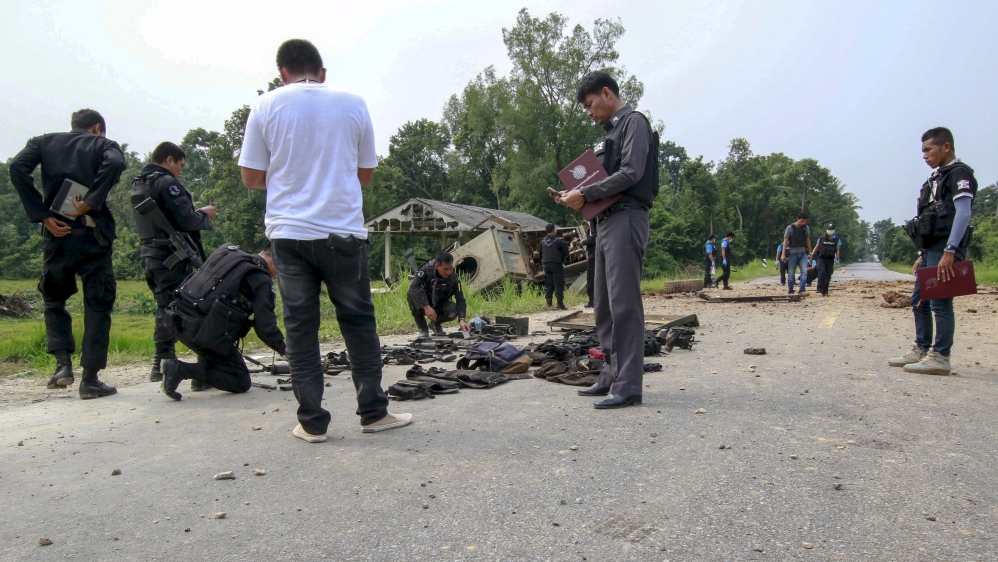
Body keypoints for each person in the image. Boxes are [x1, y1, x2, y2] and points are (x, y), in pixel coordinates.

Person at [238, 39, 409, 442]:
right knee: (357, 320)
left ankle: (312, 423)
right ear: (323, 72)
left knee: (300, 327)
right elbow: (365, 174)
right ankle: (373, 413)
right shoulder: (353, 102)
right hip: (342, 232)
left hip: (290, 235)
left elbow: (250, 178)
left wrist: (287, 178)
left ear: (282, 72)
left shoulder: (265, 105)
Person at [554, 71, 659, 409]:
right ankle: (611, 376)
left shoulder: (634, 123)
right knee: (603, 303)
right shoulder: (610, 133)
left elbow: (631, 173)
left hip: (627, 217)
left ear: (606, 94)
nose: (588, 112)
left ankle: (629, 385)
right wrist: (577, 195)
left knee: (624, 304)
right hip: (603, 223)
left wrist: (584, 192)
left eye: (589, 105)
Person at [8, 109, 126, 399]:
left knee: (53, 299)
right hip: (93, 236)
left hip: (56, 233)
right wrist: (92, 200)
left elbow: (16, 168)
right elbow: (116, 163)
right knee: (98, 305)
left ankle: (62, 366)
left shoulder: (43, 142)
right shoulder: (104, 145)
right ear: (97, 128)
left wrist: (42, 214)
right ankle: (90, 379)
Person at [890, 127, 977, 376]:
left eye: (929, 149)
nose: (925, 155)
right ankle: (921, 348)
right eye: (923, 151)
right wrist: (921, 254)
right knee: (919, 301)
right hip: (931, 249)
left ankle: (940, 357)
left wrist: (951, 250)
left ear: (945, 147)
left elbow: (963, 213)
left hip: (947, 249)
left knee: (940, 303)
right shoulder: (936, 178)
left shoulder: (959, 174)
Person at [131, 142, 217, 383]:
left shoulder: (139, 182)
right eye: (180, 164)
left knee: (165, 307)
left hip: (151, 255)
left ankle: (162, 362)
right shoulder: (167, 182)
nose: (180, 170)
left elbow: (169, 218)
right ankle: (199, 365)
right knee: (191, 306)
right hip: (171, 256)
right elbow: (187, 219)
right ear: (170, 160)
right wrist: (204, 214)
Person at [161, 244, 285, 400]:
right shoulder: (260, 279)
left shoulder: (228, 252)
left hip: (176, 319)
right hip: (202, 333)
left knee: (218, 342)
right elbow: (265, 327)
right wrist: (286, 351)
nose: (277, 276)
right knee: (239, 381)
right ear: (276, 262)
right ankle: (180, 369)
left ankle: (200, 379)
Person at [407, 251, 471, 337]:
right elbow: (413, 287)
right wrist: (426, 306)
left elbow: (460, 299)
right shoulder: (426, 271)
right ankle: (423, 328)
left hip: (439, 303)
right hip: (423, 302)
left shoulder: (454, 278)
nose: (448, 272)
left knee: (453, 310)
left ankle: (435, 324)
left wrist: (462, 320)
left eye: (450, 268)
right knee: (412, 295)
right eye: (445, 269)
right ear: (437, 266)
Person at [781, 212, 812, 295]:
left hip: (803, 253)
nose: (803, 223)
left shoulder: (806, 228)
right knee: (791, 273)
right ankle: (790, 290)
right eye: (802, 221)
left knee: (804, 272)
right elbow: (785, 241)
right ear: (797, 219)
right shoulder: (790, 228)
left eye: (805, 221)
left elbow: (808, 240)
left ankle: (802, 290)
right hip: (792, 254)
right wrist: (783, 254)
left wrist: (810, 252)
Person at [541, 223, 569, 310]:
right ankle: (560, 304)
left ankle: (549, 303)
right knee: (558, 283)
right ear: (553, 230)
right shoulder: (559, 241)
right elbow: (566, 253)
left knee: (549, 284)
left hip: (546, 265)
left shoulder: (542, 242)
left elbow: (540, 254)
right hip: (556, 265)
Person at [809, 222, 841, 296]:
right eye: (829, 229)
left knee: (828, 275)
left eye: (831, 229)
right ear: (827, 229)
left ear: (834, 230)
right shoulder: (821, 238)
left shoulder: (837, 240)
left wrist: (838, 258)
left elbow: (838, 250)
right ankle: (819, 288)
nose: (830, 230)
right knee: (822, 272)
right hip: (821, 258)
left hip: (830, 259)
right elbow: (816, 247)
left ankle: (825, 291)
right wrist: (812, 254)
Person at [583, 220, 596, 307]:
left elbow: (593, 238)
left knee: (591, 279)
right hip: (597, 254)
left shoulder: (593, 223)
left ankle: (592, 301)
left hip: (593, 255)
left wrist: (583, 242)